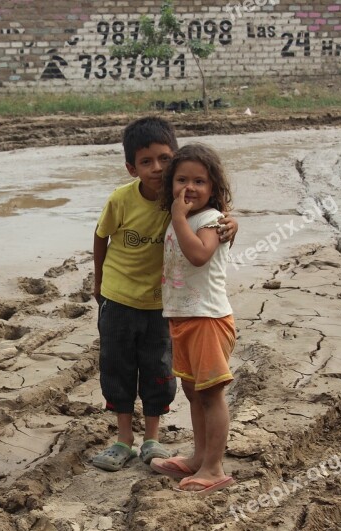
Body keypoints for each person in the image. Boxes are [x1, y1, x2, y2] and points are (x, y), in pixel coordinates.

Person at [92, 117, 237, 472]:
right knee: (118, 367)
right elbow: (100, 236)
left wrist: (232, 221)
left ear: (172, 161)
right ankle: (123, 439)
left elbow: (210, 227)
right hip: (121, 298)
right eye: (146, 161)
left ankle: (153, 440)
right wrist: (98, 284)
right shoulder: (124, 200)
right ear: (131, 168)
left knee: (160, 372)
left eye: (163, 159)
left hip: (167, 307)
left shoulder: (185, 206)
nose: (156, 168)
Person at [150, 143, 236, 495]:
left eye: (199, 181)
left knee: (211, 393)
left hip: (208, 318)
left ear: (213, 188)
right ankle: (199, 456)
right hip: (183, 317)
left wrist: (179, 218)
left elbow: (199, 255)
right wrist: (178, 218)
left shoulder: (212, 220)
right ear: (170, 184)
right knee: (192, 390)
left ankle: (213, 467)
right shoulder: (184, 219)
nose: (190, 188)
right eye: (182, 179)